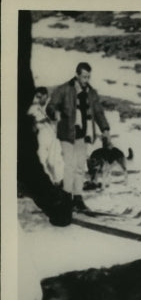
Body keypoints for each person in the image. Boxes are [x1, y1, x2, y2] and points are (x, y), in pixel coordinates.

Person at [47, 61, 111, 214]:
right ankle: (66, 198)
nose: (86, 80)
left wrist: (105, 129)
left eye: (88, 77)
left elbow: (99, 112)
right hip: (67, 134)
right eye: (84, 77)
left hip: (83, 134)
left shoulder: (91, 92)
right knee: (69, 165)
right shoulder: (64, 89)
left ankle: (78, 198)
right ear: (77, 75)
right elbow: (51, 105)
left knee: (80, 167)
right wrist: (54, 112)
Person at [28, 87, 64, 187]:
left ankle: (59, 181)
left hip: (53, 136)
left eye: (40, 97)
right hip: (41, 136)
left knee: (54, 160)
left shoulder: (52, 105)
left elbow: (57, 118)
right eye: (37, 97)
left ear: (46, 96)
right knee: (42, 159)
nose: (39, 99)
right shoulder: (34, 108)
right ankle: (47, 182)